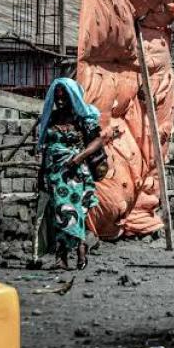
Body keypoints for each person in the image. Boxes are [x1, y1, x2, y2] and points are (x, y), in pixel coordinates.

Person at [37, 78, 105, 270]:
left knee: (74, 212)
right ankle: (64, 255)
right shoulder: (51, 117)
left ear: (72, 97)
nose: (59, 101)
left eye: (63, 97)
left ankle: (80, 246)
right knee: (61, 212)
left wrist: (79, 157)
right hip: (55, 172)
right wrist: (41, 174)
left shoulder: (83, 118)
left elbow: (98, 141)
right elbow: (46, 148)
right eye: (57, 98)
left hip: (75, 173)